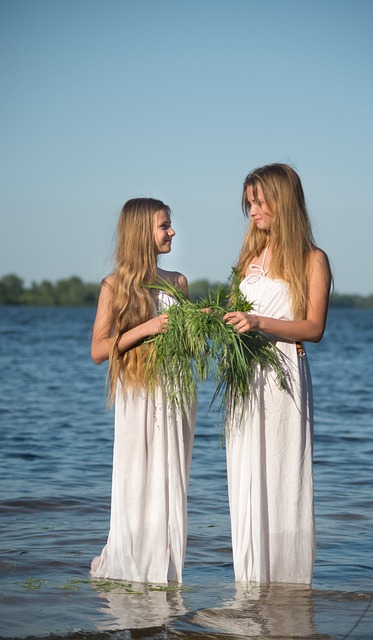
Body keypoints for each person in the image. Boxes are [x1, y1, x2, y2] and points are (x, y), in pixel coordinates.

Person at [223, 163, 331, 584]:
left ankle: (286, 586)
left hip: (284, 376)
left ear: (282, 201)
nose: (252, 211)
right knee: (246, 476)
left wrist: (259, 321)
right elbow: (239, 315)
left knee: (283, 475)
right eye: (249, 203)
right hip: (245, 378)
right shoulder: (248, 257)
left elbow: (314, 328)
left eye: (259, 201)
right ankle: (250, 583)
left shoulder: (312, 259)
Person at [90, 197, 196, 584]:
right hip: (136, 397)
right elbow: (99, 350)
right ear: (141, 233)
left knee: (170, 482)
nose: (172, 231)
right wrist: (147, 328)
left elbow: (184, 344)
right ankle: (132, 565)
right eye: (164, 225)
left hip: (175, 394)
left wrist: (198, 326)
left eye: (169, 225)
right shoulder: (114, 286)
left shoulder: (178, 282)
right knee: (137, 480)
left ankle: (164, 570)